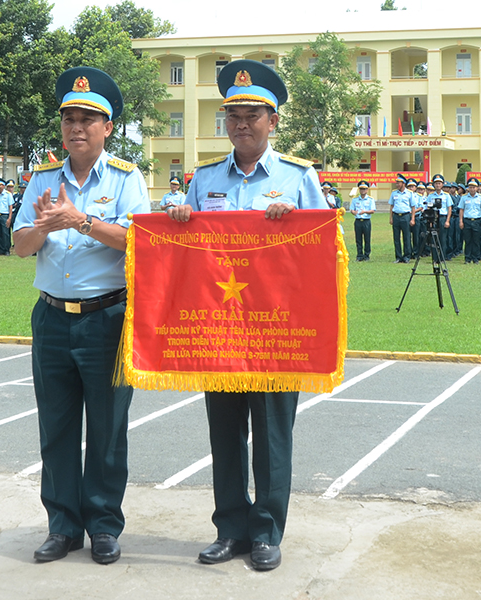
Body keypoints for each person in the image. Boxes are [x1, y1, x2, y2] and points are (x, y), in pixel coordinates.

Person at [166, 59, 327, 572]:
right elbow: (187, 254)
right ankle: (230, 529)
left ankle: (266, 531)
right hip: (220, 329)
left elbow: (326, 249)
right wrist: (180, 223)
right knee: (225, 434)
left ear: (272, 120)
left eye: (252, 113)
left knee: (273, 437)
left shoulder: (299, 178)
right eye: (233, 113)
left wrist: (296, 222)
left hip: (277, 331)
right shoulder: (205, 180)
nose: (241, 122)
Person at [12, 66, 151, 565]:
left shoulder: (126, 178)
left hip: (107, 318)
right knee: (57, 426)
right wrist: (45, 226)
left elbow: (141, 241)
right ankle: (63, 526)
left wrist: (82, 221)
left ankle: (105, 526)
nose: (77, 128)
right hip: (51, 318)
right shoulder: (43, 179)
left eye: (88, 119)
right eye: (69, 118)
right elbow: (21, 247)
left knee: (109, 429)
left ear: (107, 128)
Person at [457, 177, 481, 264]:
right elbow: (461, 209)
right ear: (468, 188)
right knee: (468, 240)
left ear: (477, 188)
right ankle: (467, 258)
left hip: (477, 220)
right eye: (470, 187)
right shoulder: (464, 197)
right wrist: (461, 221)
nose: (472, 189)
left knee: (476, 240)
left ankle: (476, 258)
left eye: (474, 187)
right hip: (467, 221)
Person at [389, 173, 414, 263]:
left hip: (406, 216)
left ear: (403, 183)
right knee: (396, 237)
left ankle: (407, 256)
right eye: (396, 183)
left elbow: (413, 207)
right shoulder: (394, 193)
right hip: (396, 216)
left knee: (406, 237)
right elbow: (391, 206)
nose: (397, 185)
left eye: (398, 183)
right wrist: (391, 218)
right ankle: (398, 256)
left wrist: (413, 219)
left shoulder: (409, 193)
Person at [426, 174, 452, 261]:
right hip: (433, 218)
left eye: (439, 183)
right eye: (436, 183)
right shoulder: (430, 196)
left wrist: (447, 221)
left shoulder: (446, 196)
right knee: (433, 239)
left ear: (442, 184)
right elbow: (428, 208)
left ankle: (443, 257)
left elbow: (449, 208)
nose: (438, 185)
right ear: (433, 184)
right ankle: (435, 257)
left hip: (442, 217)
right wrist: (429, 220)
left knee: (443, 238)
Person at [350, 180, 375, 261]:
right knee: (358, 239)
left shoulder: (370, 199)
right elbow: (352, 210)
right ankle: (359, 255)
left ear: (367, 190)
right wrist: (354, 212)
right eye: (361, 189)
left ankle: (367, 255)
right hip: (358, 221)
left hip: (366, 221)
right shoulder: (355, 200)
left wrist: (365, 212)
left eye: (364, 189)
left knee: (367, 239)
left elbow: (373, 211)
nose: (363, 190)